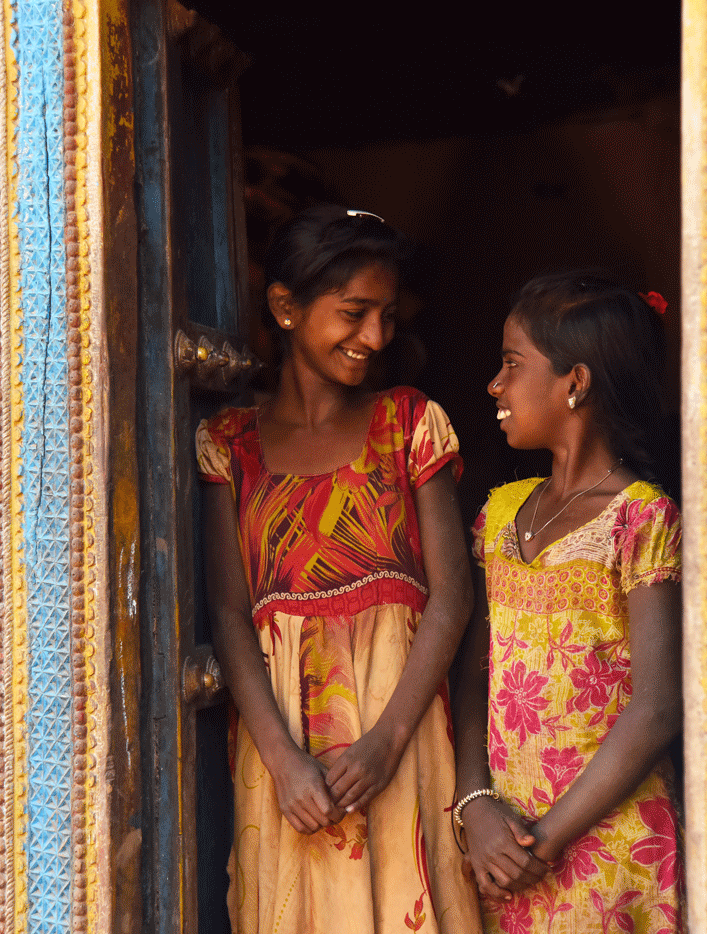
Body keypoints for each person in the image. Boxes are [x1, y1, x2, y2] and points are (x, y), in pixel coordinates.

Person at [197, 205, 481, 934]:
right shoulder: (231, 444)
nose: (375, 338)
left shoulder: (409, 424)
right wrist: (284, 761)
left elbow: (451, 597)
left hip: (403, 736)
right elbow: (230, 612)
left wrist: (387, 741)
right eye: (353, 313)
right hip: (284, 753)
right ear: (286, 308)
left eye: (386, 315)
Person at [452, 273, 684, 934]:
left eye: (512, 364)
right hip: (501, 847)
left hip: (608, 847)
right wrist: (474, 804)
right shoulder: (497, 515)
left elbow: (658, 705)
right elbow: (472, 678)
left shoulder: (640, 518)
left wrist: (546, 840)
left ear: (575, 382)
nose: (495, 385)